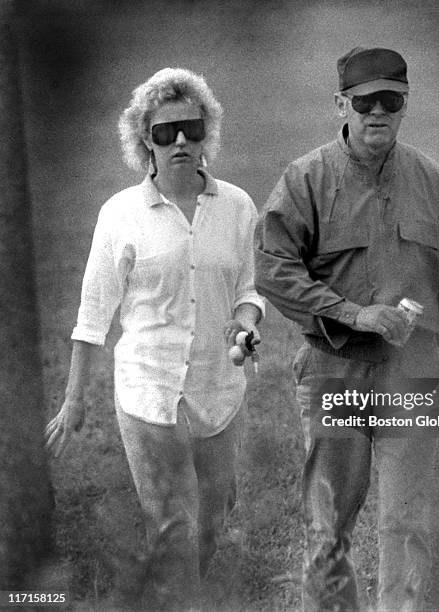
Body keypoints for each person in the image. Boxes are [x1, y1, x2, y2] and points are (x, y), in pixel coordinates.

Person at [254, 47, 439, 611]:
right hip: (336, 372)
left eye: (391, 100)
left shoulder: (434, 182)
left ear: (405, 105)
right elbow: (272, 268)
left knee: (408, 524)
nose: (377, 111)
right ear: (341, 103)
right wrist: (352, 312)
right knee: (328, 526)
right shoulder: (305, 178)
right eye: (365, 101)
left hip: (415, 376)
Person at [44, 67, 264, 608]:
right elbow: (93, 317)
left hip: (219, 386)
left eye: (191, 128)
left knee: (213, 521)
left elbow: (249, 288)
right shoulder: (119, 214)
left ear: (206, 130)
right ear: (146, 139)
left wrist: (248, 322)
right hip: (148, 391)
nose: (181, 141)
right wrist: (74, 402)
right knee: (172, 524)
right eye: (166, 132)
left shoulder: (238, 207)